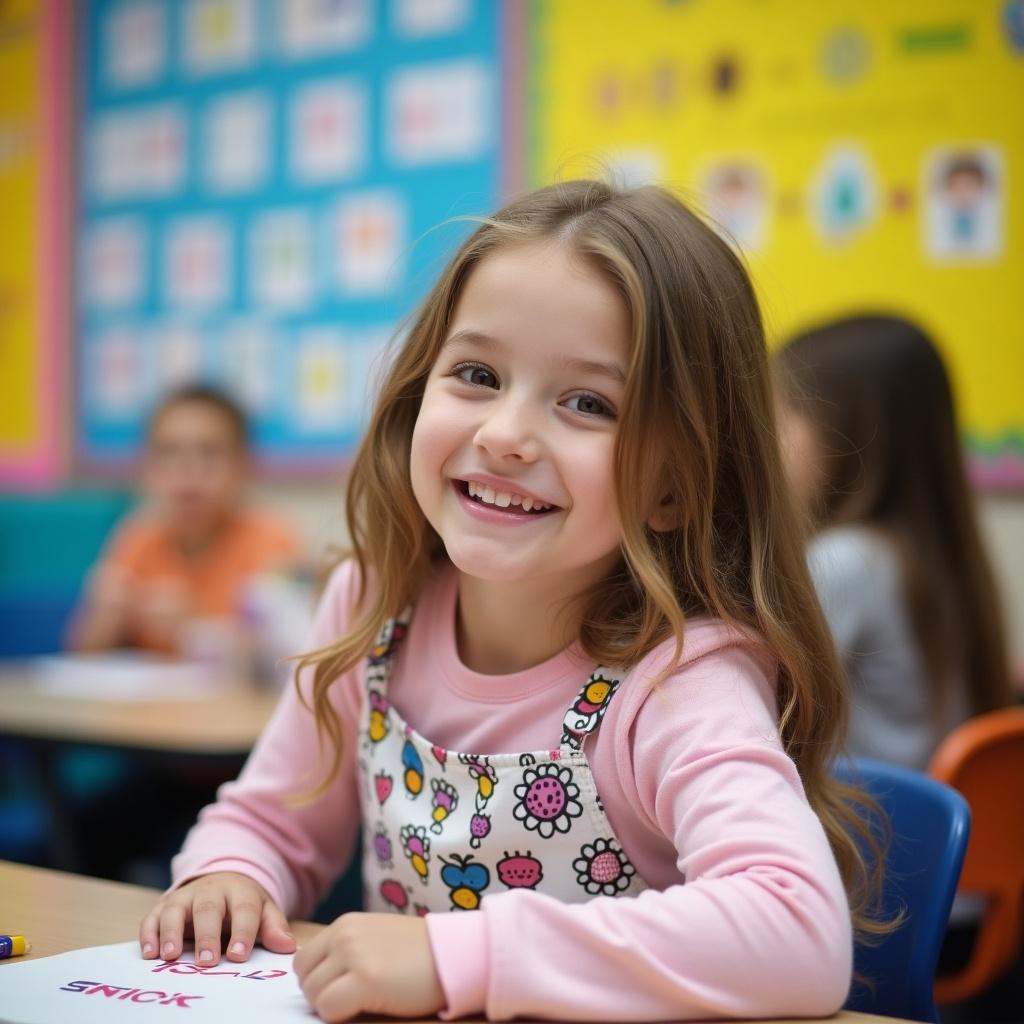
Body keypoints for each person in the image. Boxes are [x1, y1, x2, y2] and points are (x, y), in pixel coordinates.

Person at [139, 181, 873, 1022]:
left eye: (588, 403)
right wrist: (230, 874)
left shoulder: (677, 674)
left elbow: (798, 930)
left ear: (675, 488)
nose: (504, 434)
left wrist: (467, 957)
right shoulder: (371, 601)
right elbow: (273, 819)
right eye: (478, 375)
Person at [774, 315, 1011, 771]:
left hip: (864, 830)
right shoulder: (936, 554)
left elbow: (760, 713)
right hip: (931, 828)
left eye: (782, 417)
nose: (765, 442)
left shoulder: (843, 561)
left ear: (849, 434)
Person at [70, 383, 302, 657]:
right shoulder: (140, 537)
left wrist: (197, 630)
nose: (188, 472)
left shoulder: (270, 540)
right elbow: (81, 652)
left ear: (243, 466)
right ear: (147, 467)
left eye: (210, 453)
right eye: (169, 453)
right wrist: (103, 620)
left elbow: (285, 656)